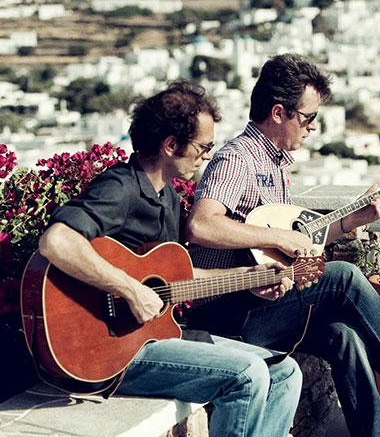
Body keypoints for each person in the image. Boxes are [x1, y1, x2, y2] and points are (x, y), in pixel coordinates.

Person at [185, 54, 380, 437]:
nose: (313, 127)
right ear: (279, 113)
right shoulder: (238, 160)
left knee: (344, 337)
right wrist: (280, 237)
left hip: (260, 301)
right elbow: (202, 224)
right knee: (345, 277)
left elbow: (290, 241)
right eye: (309, 117)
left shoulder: (276, 165)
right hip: (223, 310)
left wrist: (351, 223)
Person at [37, 80, 303, 437]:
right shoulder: (120, 187)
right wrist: (129, 288)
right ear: (171, 144)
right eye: (204, 146)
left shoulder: (168, 198)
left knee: (285, 373)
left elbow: (175, 276)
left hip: (154, 336)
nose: (209, 155)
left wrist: (251, 277)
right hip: (113, 350)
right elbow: (57, 240)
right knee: (247, 375)